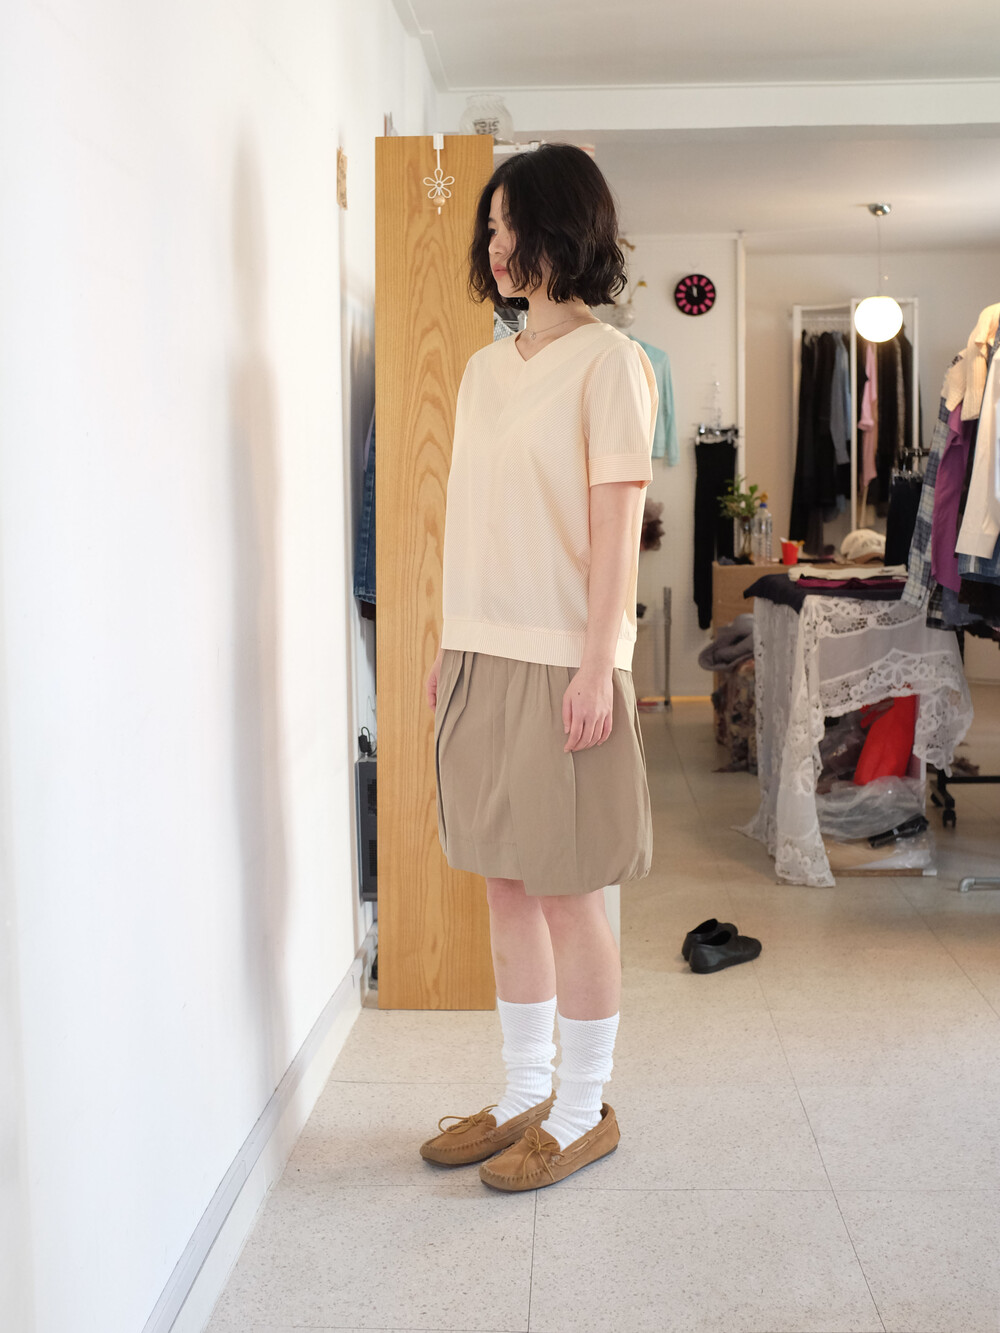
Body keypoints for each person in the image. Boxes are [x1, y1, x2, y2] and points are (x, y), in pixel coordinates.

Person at [419, 144, 656, 1191]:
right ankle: (522, 1089)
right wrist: (449, 643)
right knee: (505, 884)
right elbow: (471, 520)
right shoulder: (482, 370)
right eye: (490, 226)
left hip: (565, 659)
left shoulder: (611, 363)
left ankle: (580, 1105)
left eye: (510, 224)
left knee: (569, 891)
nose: (496, 244)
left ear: (563, 230)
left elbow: (615, 532)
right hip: (482, 651)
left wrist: (599, 665)